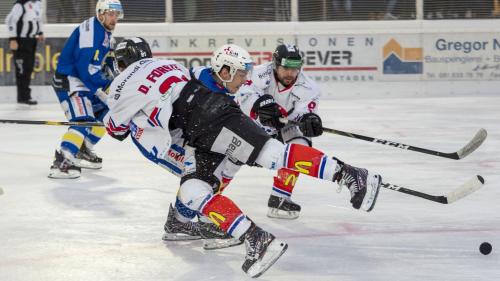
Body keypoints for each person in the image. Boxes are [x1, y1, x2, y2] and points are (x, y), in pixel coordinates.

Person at [103, 37, 382, 277]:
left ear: (120, 63)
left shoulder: (118, 86)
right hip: (199, 125)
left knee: (270, 154)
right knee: (194, 189)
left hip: (203, 117)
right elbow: (196, 79)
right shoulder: (165, 63)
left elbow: (115, 130)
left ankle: (348, 174)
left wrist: (116, 112)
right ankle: (256, 239)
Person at [235, 43, 323, 220]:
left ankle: (280, 197)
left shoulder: (309, 87)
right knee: (228, 160)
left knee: (301, 144)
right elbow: (242, 96)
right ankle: (204, 203)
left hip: (283, 127)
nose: (290, 74)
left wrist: (308, 121)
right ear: (275, 64)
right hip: (250, 125)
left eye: (295, 69)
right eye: (285, 68)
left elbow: (304, 114)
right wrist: (260, 107)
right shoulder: (258, 73)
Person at [48, 0, 123, 179]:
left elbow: (106, 64)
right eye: (110, 14)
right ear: (100, 14)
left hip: (85, 82)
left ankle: (83, 149)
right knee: (83, 121)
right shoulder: (90, 32)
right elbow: (86, 69)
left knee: (109, 113)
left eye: (116, 14)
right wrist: (104, 89)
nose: (114, 18)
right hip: (71, 81)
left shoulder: (105, 33)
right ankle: (63, 160)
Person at [5, 0, 44, 107]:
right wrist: (12, 39)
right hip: (20, 41)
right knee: (22, 69)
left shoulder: (38, 3)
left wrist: (40, 32)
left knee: (29, 68)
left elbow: (38, 20)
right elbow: (10, 20)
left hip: (31, 40)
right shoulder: (20, 4)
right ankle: (23, 97)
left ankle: (25, 96)